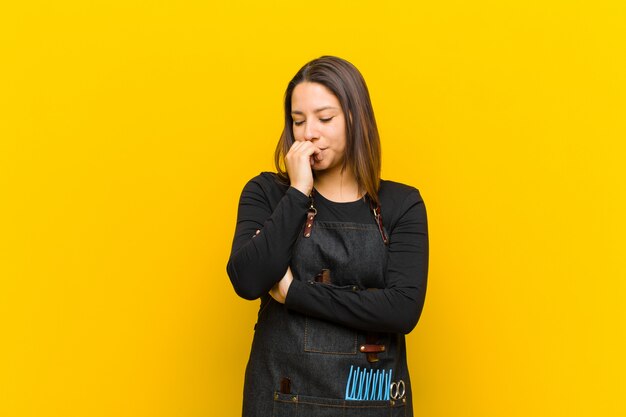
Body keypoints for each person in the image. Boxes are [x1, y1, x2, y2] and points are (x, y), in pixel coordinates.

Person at [226, 55, 428, 417]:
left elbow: (402, 310)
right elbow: (248, 279)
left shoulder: (402, 204)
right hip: (280, 399)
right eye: (298, 120)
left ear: (356, 119)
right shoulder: (268, 193)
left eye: (325, 118)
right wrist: (299, 191)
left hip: (373, 398)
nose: (308, 133)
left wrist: (295, 292)